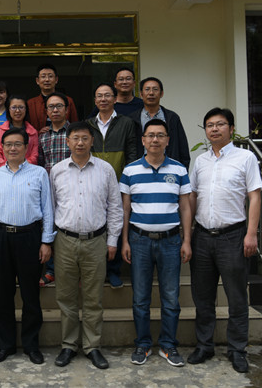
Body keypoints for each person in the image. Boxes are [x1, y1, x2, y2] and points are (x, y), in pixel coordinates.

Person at [187, 107, 262, 374]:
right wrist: (188, 234)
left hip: (233, 236)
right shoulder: (200, 161)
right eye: (210, 125)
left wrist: (251, 233)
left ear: (231, 128)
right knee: (203, 297)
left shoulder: (246, 158)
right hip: (202, 237)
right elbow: (192, 196)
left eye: (220, 124)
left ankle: (237, 350)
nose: (214, 129)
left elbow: (254, 196)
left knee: (237, 298)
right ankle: (204, 346)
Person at [120, 119, 192, 367]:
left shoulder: (179, 170)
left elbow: (185, 207)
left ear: (167, 140)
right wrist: (124, 241)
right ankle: (142, 344)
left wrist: (187, 240)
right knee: (140, 298)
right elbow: (125, 209)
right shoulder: (130, 170)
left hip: (171, 242)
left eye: (160, 135)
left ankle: (168, 345)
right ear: (143, 140)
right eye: (150, 135)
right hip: (139, 241)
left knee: (170, 298)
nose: (155, 140)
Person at [51, 122, 122, 370]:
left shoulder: (105, 170)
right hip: (65, 240)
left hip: (96, 241)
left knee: (93, 298)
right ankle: (69, 345)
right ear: (67, 142)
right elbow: (51, 207)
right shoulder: (57, 170)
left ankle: (93, 346)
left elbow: (115, 207)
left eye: (84, 138)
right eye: (75, 138)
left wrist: (112, 240)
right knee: (66, 297)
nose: (80, 143)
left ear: (92, 141)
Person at [0, 127, 54, 365]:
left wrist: (46, 241)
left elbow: (47, 209)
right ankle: (5, 345)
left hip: (30, 237)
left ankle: (31, 345)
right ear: (2, 148)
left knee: (30, 293)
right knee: (3, 294)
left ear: (26, 147)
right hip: (1, 237)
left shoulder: (39, 173)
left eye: (17, 144)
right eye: (8, 144)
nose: (12, 148)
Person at [85, 82, 138, 289]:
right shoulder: (88, 124)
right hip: (94, 182)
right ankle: (96, 269)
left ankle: (114, 270)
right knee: (96, 225)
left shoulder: (126, 123)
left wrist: (128, 178)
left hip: (119, 180)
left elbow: (132, 152)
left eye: (107, 95)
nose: (103, 99)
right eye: (99, 96)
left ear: (115, 99)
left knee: (116, 223)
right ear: (95, 100)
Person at [36, 92, 72, 288]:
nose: (55, 110)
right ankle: (51, 270)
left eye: (59, 106)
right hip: (48, 189)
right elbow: (40, 163)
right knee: (49, 227)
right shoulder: (42, 136)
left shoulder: (74, 133)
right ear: (47, 112)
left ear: (66, 109)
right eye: (51, 107)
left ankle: (73, 272)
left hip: (72, 188)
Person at [127, 76, 190, 167]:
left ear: (161, 93)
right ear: (141, 94)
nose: (151, 93)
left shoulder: (172, 118)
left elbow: (183, 148)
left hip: (168, 168)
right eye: (147, 89)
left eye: (155, 89)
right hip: (140, 168)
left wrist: (181, 170)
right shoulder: (132, 119)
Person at [27, 64, 79, 132]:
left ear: (56, 80)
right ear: (37, 81)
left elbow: (75, 125)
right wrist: (38, 133)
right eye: (43, 76)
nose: (47, 80)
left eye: (50, 76)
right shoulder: (30, 103)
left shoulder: (68, 101)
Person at [0, 95, 39, 167]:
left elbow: (34, 155)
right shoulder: (0, 130)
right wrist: (6, 168)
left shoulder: (33, 132)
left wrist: (23, 168)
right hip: (4, 170)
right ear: (8, 110)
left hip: (28, 170)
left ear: (26, 110)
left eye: (21, 107)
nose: (17, 111)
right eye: (14, 107)